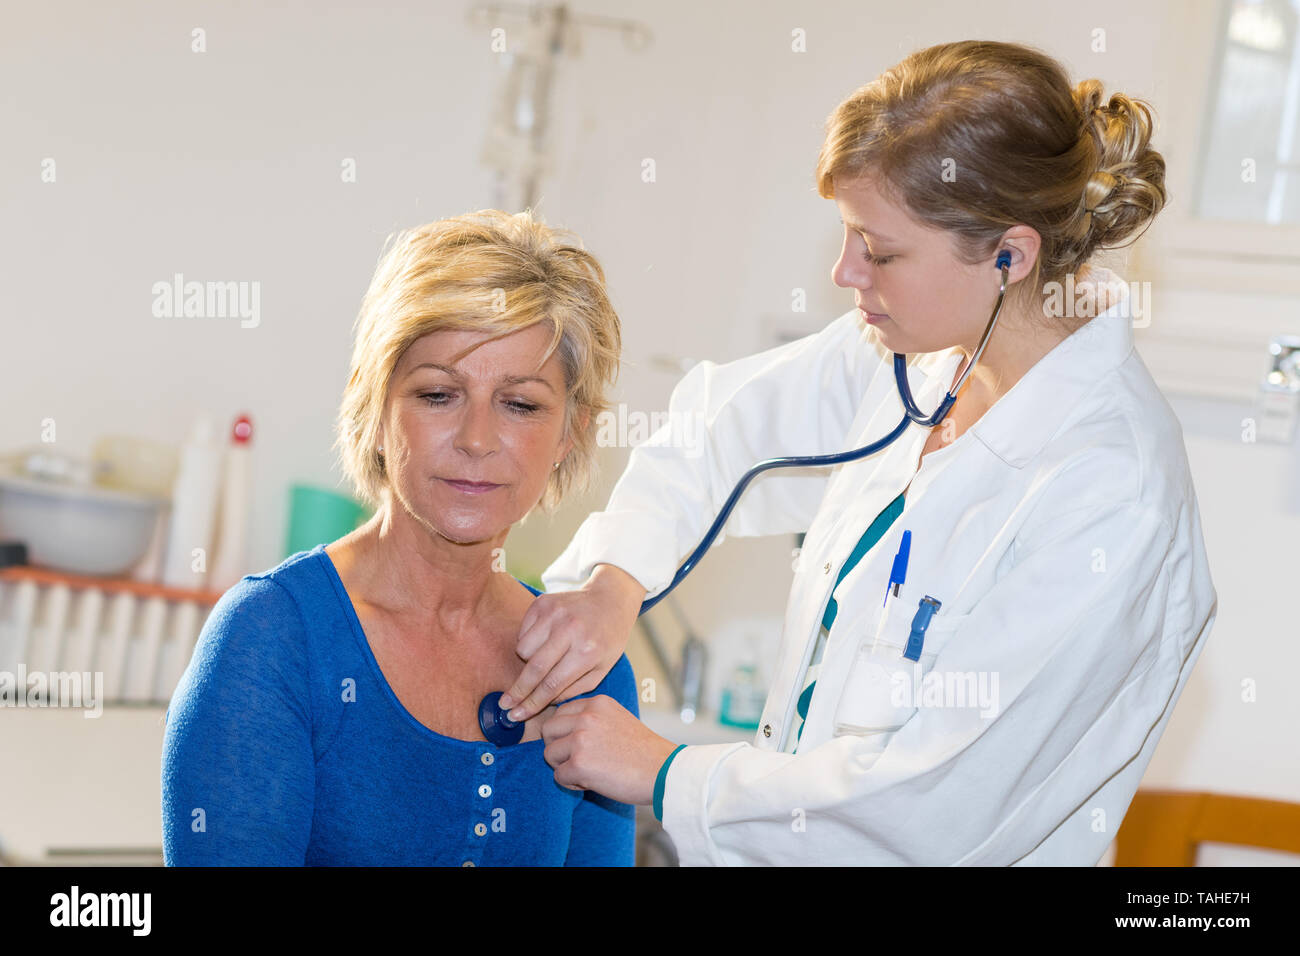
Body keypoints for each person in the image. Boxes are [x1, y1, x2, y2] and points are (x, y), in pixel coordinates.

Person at [504, 40, 1218, 865]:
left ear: (1010, 255)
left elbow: (929, 808)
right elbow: (716, 432)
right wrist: (614, 581)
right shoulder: (910, 356)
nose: (846, 273)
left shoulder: (1110, 492)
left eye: (878, 251)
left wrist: (667, 775)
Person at [161, 209, 635, 866]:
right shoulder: (273, 639)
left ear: (570, 434)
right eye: (439, 394)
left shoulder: (585, 665)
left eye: (520, 404)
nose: (476, 439)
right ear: (377, 407)